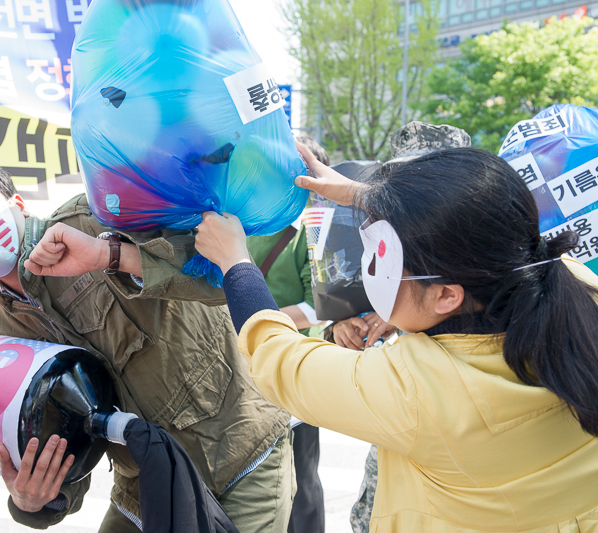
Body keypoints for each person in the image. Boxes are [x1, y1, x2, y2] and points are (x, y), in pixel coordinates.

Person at [194, 145, 598, 532]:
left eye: (382, 257)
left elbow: (278, 359)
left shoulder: (417, 391)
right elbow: (475, 225)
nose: (368, 266)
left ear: (446, 296)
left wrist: (235, 262)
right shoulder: (570, 284)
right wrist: (362, 194)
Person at [0, 151, 294, 533]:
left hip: (241, 447)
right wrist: (33, 501)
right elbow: (63, 448)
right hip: (145, 481)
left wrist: (111, 255)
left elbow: (218, 277)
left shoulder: (94, 216)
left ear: (17, 204)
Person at [319, 121, 471, 533]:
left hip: (457, 442)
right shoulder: (385, 234)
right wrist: (340, 328)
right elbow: (346, 300)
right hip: (396, 430)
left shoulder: (479, 245)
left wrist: (406, 310)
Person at [246, 133, 326, 533]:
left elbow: (320, 306)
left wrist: (252, 318)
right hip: (243, 370)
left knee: (301, 480)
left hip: (293, 374)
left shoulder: (312, 230)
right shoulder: (244, 221)